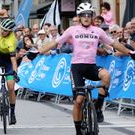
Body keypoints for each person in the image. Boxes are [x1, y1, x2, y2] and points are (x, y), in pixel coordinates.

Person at [30, 2, 135, 135]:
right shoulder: (72, 30)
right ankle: (78, 131)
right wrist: (37, 52)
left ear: (92, 16)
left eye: (89, 15)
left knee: (106, 76)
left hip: (91, 66)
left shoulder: (98, 31)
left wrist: (130, 53)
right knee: (79, 101)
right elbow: (55, 43)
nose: (86, 17)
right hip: (77, 69)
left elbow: (114, 43)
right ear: (79, 17)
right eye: (83, 15)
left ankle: (98, 107)